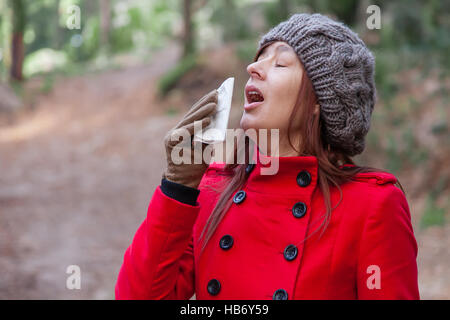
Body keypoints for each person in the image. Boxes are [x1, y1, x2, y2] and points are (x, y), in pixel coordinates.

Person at [115, 13, 419, 300]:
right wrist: (177, 189)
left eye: (281, 64)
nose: (253, 68)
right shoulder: (213, 190)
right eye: (259, 58)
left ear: (319, 102)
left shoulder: (371, 205)